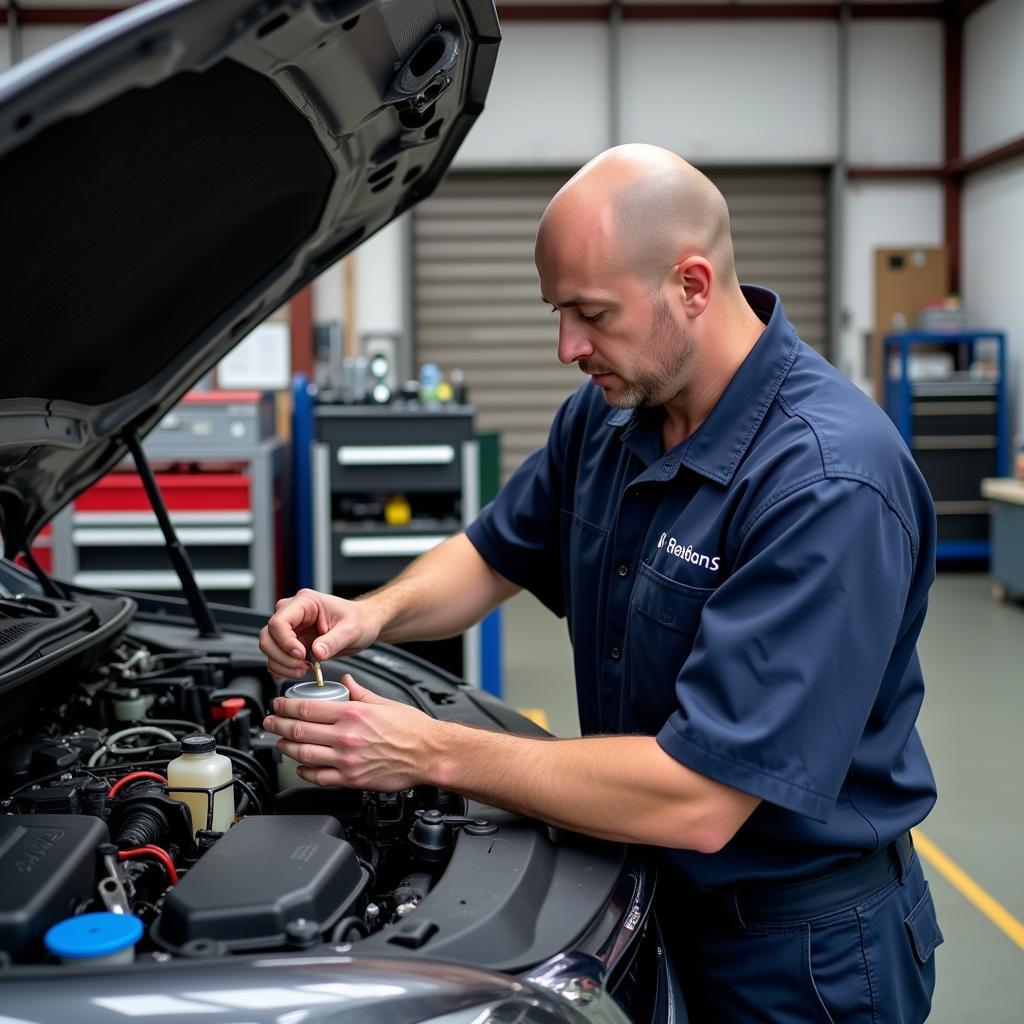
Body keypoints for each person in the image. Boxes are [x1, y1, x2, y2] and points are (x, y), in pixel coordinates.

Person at [260, 144, 943, 1022]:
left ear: (692, 285)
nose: (566, 348)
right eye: (558, 313)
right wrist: (372, 613)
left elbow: (699, 799)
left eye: (590, 313)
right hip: (651, 899)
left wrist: (425, 748)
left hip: (801, 956)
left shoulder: (827, 483)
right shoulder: (613, 414)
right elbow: (496, 551)